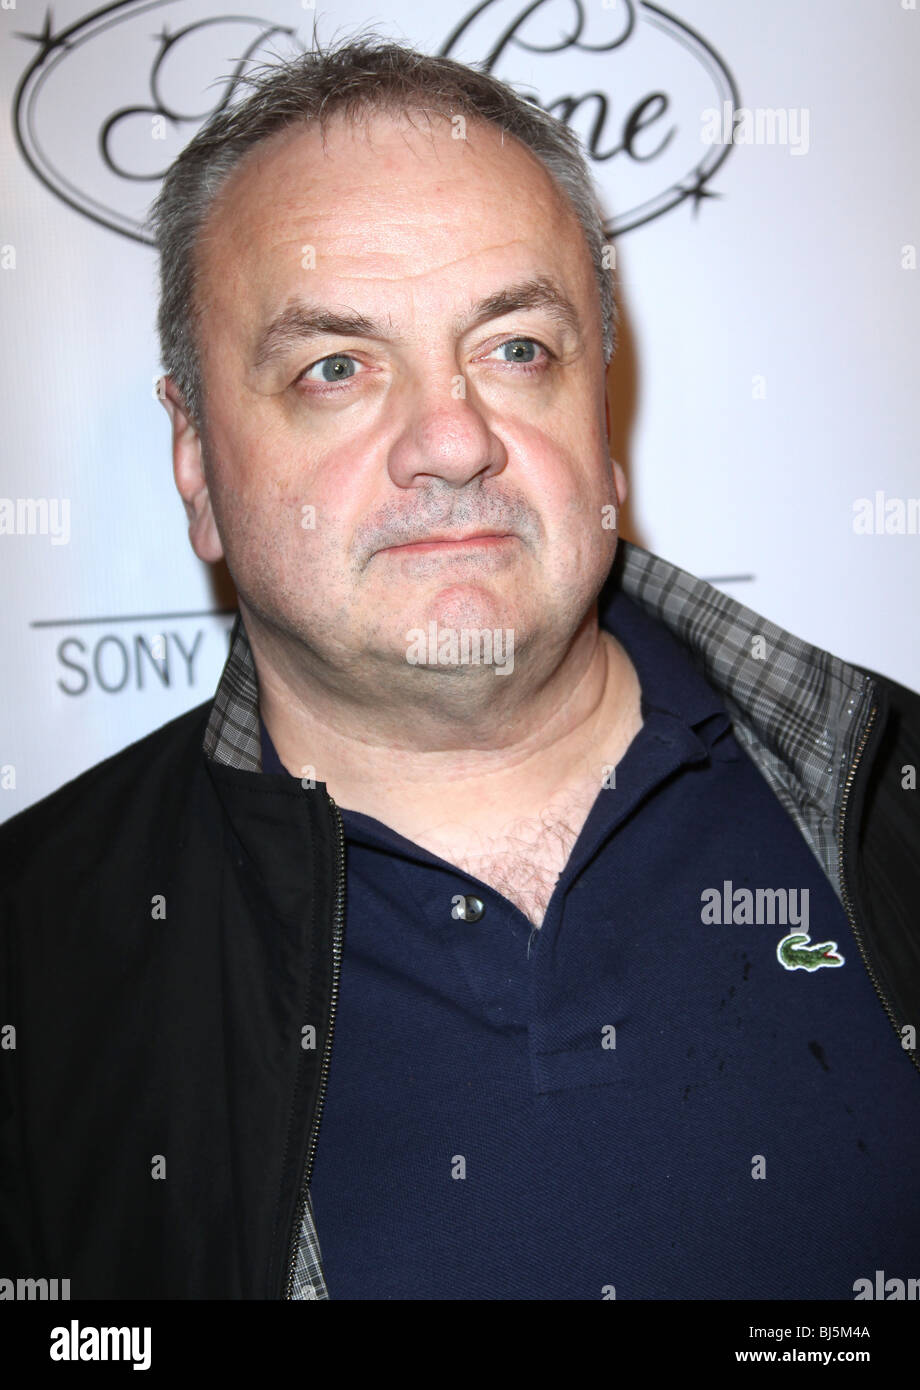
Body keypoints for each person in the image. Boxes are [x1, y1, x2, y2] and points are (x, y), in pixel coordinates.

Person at [1, 35, 919, 1302]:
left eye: (516, 348)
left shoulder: (891, 804)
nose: (450, 439)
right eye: (334, 367)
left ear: (602, 426)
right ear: (198, 463)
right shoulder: (40, 965)